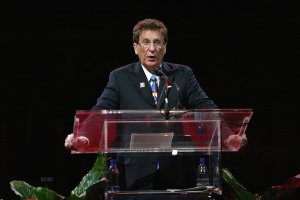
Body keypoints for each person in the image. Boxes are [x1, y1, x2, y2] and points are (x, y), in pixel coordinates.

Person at [65, 18, 247, 191]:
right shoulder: (120, 77)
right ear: (136, 47)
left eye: (157, 42)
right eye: (145, 42)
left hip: (178, 172)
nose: (152, 49)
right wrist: (82, 136)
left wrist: (229, 136)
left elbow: (207, 107)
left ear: (165, 47)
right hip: (135, 174)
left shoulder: (182, 75)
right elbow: (100, 111)